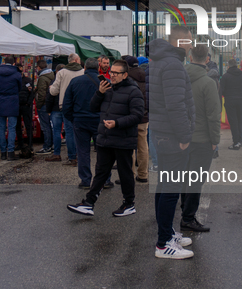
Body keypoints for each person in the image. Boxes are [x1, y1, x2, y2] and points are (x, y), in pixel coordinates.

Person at [67, 60, 144, 217]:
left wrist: (117, 123)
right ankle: (89, 203)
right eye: (111, 72)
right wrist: (99, 92)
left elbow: (137, 116)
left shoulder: (133, 91)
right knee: (101, 172)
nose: (112, 76)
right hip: (105, 138)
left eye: (116, 73)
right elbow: (93, 107)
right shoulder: (107, 88)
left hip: (123, 139)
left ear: (125, 75)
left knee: (125, 173)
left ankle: (129, 203)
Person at [149, 26, 196, 260]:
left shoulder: (161, 61)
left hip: (162, 132)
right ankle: (163, 244)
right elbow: (176, 105)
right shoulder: (173, 65)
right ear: (181, 42)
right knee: (171, 189)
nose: (192, 46)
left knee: (164, 186)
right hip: (172, 135)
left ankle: (166, 233)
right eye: (190, 42)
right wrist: (185, 136)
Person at [180, 46, 221, 232]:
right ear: (207, 59)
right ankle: (188, 218)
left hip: (182, 137)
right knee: (195, 180)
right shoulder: (208, 82)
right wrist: (215, 140)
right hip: (202, 138)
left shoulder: (179, 79)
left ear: (189, 57)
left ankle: (185, 210)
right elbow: (213, 114)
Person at [62, 58, 101, 188]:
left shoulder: (75, 82)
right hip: (99, 120)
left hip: (80, 120)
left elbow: (66, 104)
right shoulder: (103, 82)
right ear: (98, 68)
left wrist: (72, 118)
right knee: (103, 151)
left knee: (83, 151)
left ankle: (85, 180)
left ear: (84, 68)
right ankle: (105, 180)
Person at [50, 53, 82, 166]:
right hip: (80, 105)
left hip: (66, 105)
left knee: (69, 132)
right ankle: (80, 156)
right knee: (79, 131)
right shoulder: (83, 71)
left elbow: (54, 91)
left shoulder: (62, 72)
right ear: (77, 60)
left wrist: (51, 88)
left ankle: (72, 157)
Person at [125, 55, 149, 183]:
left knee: (130, 146)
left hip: (130, 116)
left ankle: (130, 175)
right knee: (143, 145)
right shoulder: (146, 77)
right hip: (144, 117)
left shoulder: (127, 78)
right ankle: (143, 174)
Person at [0, 56, 22, 161]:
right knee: (11, 128)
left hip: (0, 100)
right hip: (12, 101)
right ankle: (11, 152)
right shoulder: (16, 74)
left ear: (4, 62)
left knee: (1, 128)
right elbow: (19, 87)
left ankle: (3, 152)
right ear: (13, 63)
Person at [221, 59, 242, 150]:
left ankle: (236, 142)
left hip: (230, 101)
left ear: (228, 66)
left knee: (233, 122)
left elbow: (221, 90)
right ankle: (241, 140)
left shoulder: (225, 76)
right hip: (241, 101)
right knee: (240, 121)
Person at [35, 60, 55, 154]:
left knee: (45, 126)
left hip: (43, 105)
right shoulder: (52, 75)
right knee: (50, 126)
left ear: (39, 67)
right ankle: (51, 145)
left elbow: (42, 93)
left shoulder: (42, 78)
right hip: (50, 103)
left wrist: (38, 105)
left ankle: (47, 147)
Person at [15, 63, 34, 152]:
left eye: (20, 68)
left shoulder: (27, 80)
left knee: (28, 125)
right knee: (17, 126)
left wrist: (28, 103)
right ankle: (20, 144)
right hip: (16, 105)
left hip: (26, 106)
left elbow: (32, 92)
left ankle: (30, 144)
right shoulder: (14, 80)